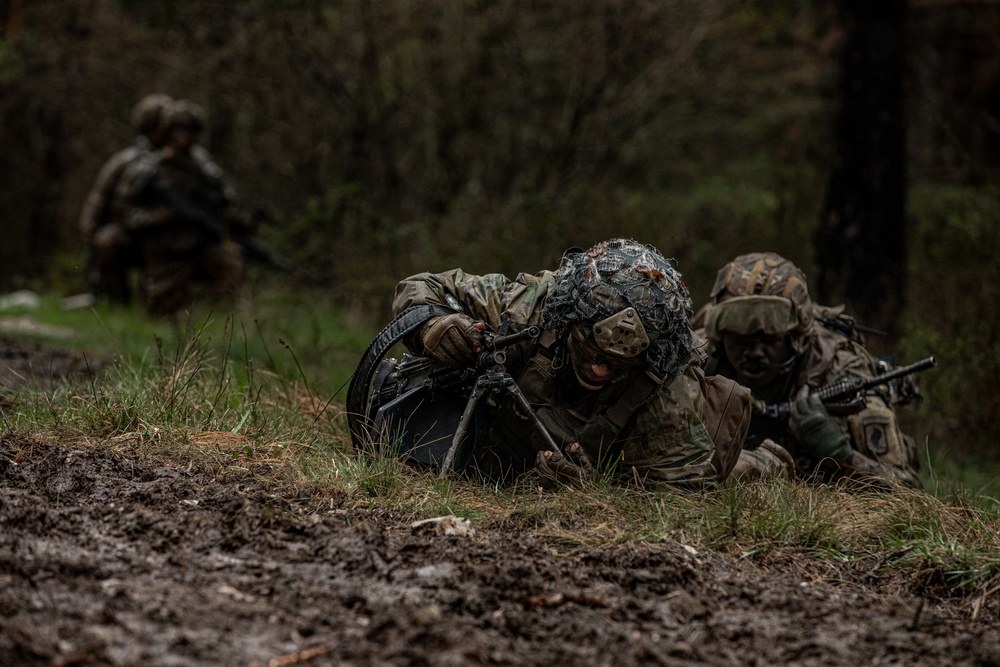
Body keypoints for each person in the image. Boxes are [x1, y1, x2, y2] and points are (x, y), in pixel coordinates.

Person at [362, 238, 754, 488]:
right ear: (568, 321)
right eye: (592, 350)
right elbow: (421, 286)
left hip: (635, 457)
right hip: (509, 432)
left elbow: (682, 503)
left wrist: (594, 489)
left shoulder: (669, 394)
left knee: (736, 470)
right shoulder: (532, 305)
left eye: (620, 363)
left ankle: (767, 458)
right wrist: (435, 327)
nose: (600, 370)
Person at [693, 252, 922, 488]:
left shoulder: (842, 373)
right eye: (740, 339)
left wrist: (840, 453)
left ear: (796, 338)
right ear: (720, 336)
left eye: (769, 339)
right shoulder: (697, 359)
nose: (754, 352)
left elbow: (908, 490)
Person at [115, 99, 245, 315]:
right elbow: (124, 209)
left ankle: (226, 322)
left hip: (199, 245)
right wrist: (157, 217)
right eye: (178, 129)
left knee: (229, 261)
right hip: (162, 249)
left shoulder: (204, 168)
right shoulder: (149, 168)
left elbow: (227, 201)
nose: (184, 135)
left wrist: (224, 217)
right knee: (162, 307)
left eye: (189, 130)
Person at [79, 93, 173, 304]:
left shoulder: (190, 163)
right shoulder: (126, 161)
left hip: (171, 239)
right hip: (132, 236)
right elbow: (97, 204)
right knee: (107, 242)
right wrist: (90, 246)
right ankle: (117, 301)